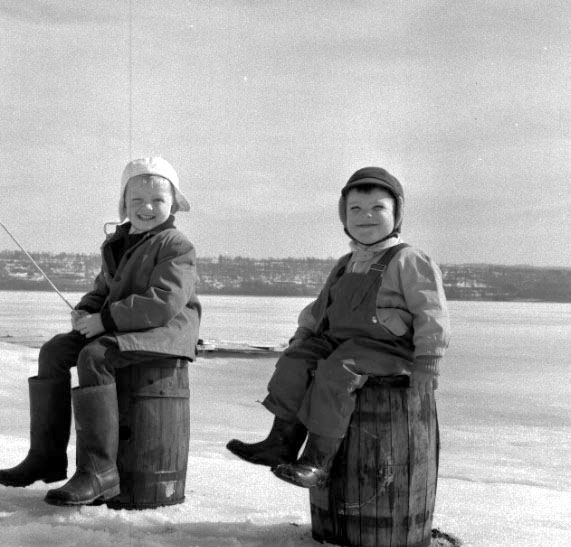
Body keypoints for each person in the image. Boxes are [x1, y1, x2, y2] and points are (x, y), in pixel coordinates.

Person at [227, 166, 450, 488]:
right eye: (355, 209)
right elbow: (321, 308)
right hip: (340, 342)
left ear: (397, 214)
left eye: (378, 208)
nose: (365, 216)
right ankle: (280, 443)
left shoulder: (409, 259)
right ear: (344, 216)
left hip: (388, 349)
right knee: (296, 361)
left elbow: (431, 311)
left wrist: (428, 360)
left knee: (336, 372)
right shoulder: (346, 263)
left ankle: (318, 460)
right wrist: (303, 337)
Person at [0, 157, 201, 505]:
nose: (147, 208)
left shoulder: (175, 245)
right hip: (125, 326)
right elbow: (103, 291)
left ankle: (99, 470)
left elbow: (164, 301)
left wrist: (106, 321)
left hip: (165, 331)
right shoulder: (119, 243)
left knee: (95, 356)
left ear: (173, 205)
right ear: (124, 204)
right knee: (54, 351)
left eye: (157, 200)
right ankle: (45, 456)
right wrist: (86, 311)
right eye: (137, 200)